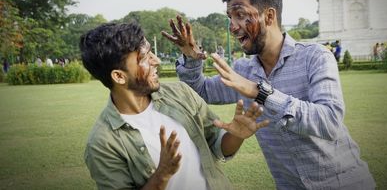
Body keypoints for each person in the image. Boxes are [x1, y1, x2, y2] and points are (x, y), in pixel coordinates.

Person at [162, 0, 375, 189]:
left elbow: (329, 122)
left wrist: (259, 91)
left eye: (240, 15)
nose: (232, 27)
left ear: (269, 15)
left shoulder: (315, 57)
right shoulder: (243, 70)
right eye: (230, 17)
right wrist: (190, 57)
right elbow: (200, 92)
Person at [80, 22, 269, 190]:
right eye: (144, 58)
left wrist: (236, 135)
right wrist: (162, 174)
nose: (157, 61)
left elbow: (218, 146)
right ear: (119, 76)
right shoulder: (102, 143)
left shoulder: (180, 93)